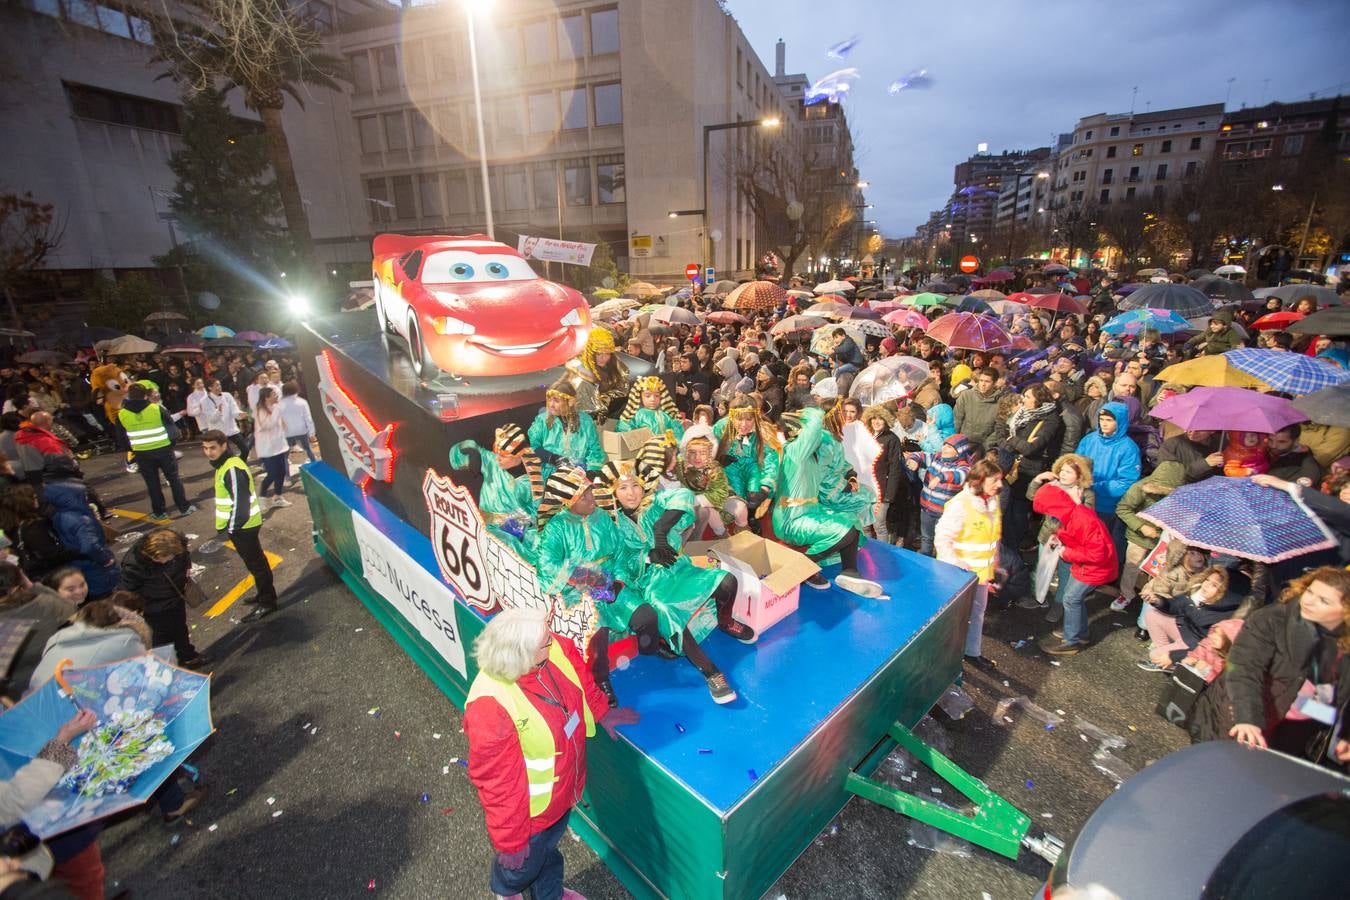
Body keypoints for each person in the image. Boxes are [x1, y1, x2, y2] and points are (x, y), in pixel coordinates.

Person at [464, 607, 637, 900]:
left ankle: (550, 895)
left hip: (562, 796)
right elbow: (499, 785)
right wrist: (512, 841)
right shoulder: (490, 708)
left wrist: (601, 711)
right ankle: (506, 892)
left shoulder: (550, 649)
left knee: (547, 854)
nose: (553, 640)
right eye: (545, 641)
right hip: (529, 817)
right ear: (522, 655)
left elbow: (580, 677)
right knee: (522, 866)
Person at [592, 459, 747, 704]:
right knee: (667, 612)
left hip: (679, 567)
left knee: (727, 581)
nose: (631, 493)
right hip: (649, 582)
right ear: (612, 493)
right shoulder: (612, 525)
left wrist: (662, 528)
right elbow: (620, 563)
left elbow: (685, 495)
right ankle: (711, 672)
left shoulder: (655, 504)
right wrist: (647, 556)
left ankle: (726, 621)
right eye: (622, 488)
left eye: (635, 485)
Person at [1192, 567, 1350, 769]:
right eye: (1309, 591)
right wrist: (1248, 717)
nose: (1308, 601)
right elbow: (1243, 666)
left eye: (1324, 601)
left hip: (1292, 729)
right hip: (1240, 712)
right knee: (1214, 770)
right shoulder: (1273, 619)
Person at [773, 409, 883, 597]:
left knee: (851, 521)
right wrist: (804, 412)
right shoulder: (794, 452)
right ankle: (798, 570)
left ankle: (850, 573)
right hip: (792, 519)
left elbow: (834, 469)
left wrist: (849, 477)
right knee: (843, 530)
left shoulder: (811, 457)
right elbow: (816, 419)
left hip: (810, 511)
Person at [1033, 479, 1119, 657]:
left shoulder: (1081, 520)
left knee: (1071, 599)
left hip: (1094, 568)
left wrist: (1066, 553)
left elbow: (1097, 554)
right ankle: (1081, 633)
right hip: (1086, 566)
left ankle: (1071, 641)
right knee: (1074, 599)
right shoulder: (1072, 514)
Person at [201, 430, 277, 623]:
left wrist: (231, 529)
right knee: (255, 563)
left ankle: (268, 602)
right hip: (240, 526)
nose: (209, 452)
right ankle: (264, 595)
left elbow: (240, 503)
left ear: (224, 445)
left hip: (243, 526)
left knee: (257, 565)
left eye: (212, 448)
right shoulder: (224, 465)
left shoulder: (231, 468)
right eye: (205, 448)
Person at [935, 457, 1004, 662]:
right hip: (957, 576)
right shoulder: (960, 505)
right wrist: (957, 563)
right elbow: (942, 539)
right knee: (952, 619)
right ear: (979, 481)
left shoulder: (993, 501)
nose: (1000, 485)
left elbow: (993, 537)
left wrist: (995, 564)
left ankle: (972, 653)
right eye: (995, 481)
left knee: (977, 615)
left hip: (980, 576)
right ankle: (944, 658)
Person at [116, 529, 204, 668]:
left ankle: (187, 656)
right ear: (152, 555)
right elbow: (127, 590)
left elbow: (184, 556)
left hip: (175, 598)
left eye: (171, 557)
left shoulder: (177, 549)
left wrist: (186, 569)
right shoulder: (134, 565)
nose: (167, 561)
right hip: (154, 608)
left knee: (180, 629)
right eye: (163, 558)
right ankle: (169, 668)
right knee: (161, 640)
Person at [38, 458, 117, 601]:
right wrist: (105, 559)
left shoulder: (58, 515)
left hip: (80, 567)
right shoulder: (81, 520)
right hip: (96, 570)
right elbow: (89, 546)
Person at [117, 382, 195, 523]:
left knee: (152, 483)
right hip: (163, 450)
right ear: (146, 395)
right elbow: (173, 430)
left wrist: (133, 449)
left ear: (129, 396)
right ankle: (184, 507)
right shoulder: (156, 409)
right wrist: (170, 445)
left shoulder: (122, 414)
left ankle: (159, 512)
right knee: (173, 479)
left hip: (142, 453)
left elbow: (121, 438)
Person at [1138, 566, 1239, 672]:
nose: (1206, 585)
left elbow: (1205, 644)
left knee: (1154, 655)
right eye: (1207, 580)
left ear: (1223, 593)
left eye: (1214, 585)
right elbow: (1175, 605)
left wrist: (1174, 656)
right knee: (1153, 614)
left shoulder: (1222, 613)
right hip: (1182, 629)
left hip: (1193, 643)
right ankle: (1166, 658)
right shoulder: (1197, 593)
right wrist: (1157, 600)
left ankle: (1172, 661)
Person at [0, 562, 76, 701]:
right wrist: (35, 587)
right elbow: (72, 613)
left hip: (17, 695)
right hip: (58, 677)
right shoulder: (47, 604)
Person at [1074, 401, 1140, 562]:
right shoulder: (1089, 439)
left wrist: (1095, 487)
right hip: (1081, 499)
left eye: (1110, 420)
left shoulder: (1129, 448)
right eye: (1102, 418)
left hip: (1106, 506)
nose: (1104, 423)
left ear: (1120, 422)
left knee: (1098, 545)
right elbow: (1075, 464)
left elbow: (1126, 482)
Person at [527, 380, 605, 481]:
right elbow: (532, 448)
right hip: (549, 476)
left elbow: (595, 450)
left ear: (570, 401)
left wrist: (592, 472)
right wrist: (552, 458)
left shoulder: (585, 421)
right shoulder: (542, 421)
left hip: (579, 475)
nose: (551, 405)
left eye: (556, 401)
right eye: (549, 400)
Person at [861, 405, 906, 545]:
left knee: (878, 525)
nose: (877, 421)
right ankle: (867, 551)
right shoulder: (866, 436)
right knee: (864, 524)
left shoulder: (892, 439)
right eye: (874, 418)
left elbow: (895, 469)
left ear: (887, 420)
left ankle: (882, 554)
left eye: (880, 418)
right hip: (864, 488)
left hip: (881, 491)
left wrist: (888, 496)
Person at [252, 386, 290, 509]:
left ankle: (277, 497)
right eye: (273, 394)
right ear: (266, 398)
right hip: (267, 449)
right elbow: (268, 425)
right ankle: (262, 497)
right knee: (272, 474)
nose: (276, 396)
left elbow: (280, 424)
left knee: (282, 472)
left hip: (279, 446)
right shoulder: (260, 410)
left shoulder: (275, 407)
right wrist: (278, 410)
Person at [616, 376, 683, 440]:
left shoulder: (667, 415)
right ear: (640, 396)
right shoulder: (636, 415)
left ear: (662, 396)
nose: (653, 399)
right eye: (647, 396)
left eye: (657, 395)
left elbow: (678, 435)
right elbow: (624, 430)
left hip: (667, 450)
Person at [196, 379, 249, 458]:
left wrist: (239, 414)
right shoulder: (204, 401)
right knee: (228, 455)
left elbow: (234, 409)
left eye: (219, 385)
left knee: (245, 449)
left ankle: (240, 465)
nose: (219, 387)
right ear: (210, 388)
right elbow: (211, 420)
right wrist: (218, 411)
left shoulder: (227, 395)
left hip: (231, 429)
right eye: (216, 385)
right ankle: (233, 468)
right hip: (218, 432)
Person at [952, 368, 1002, 451]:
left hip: (983, 446)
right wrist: (955, 441)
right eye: (981, 380)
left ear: (995, 383)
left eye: (987, 381)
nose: (983, 384)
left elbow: (998, 430)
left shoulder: (1001, 402)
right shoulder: (966, 395)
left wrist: (983, 448)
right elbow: (956, 419)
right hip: (962, 442)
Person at [278, 381, 317, 466]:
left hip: (287, 432)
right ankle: (316, 465)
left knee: (285, 455)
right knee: (308, 449)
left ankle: (286, 475)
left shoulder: (280, 404)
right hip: (301, 430)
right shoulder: (302, 402)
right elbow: (308, 418)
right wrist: (312, 433)